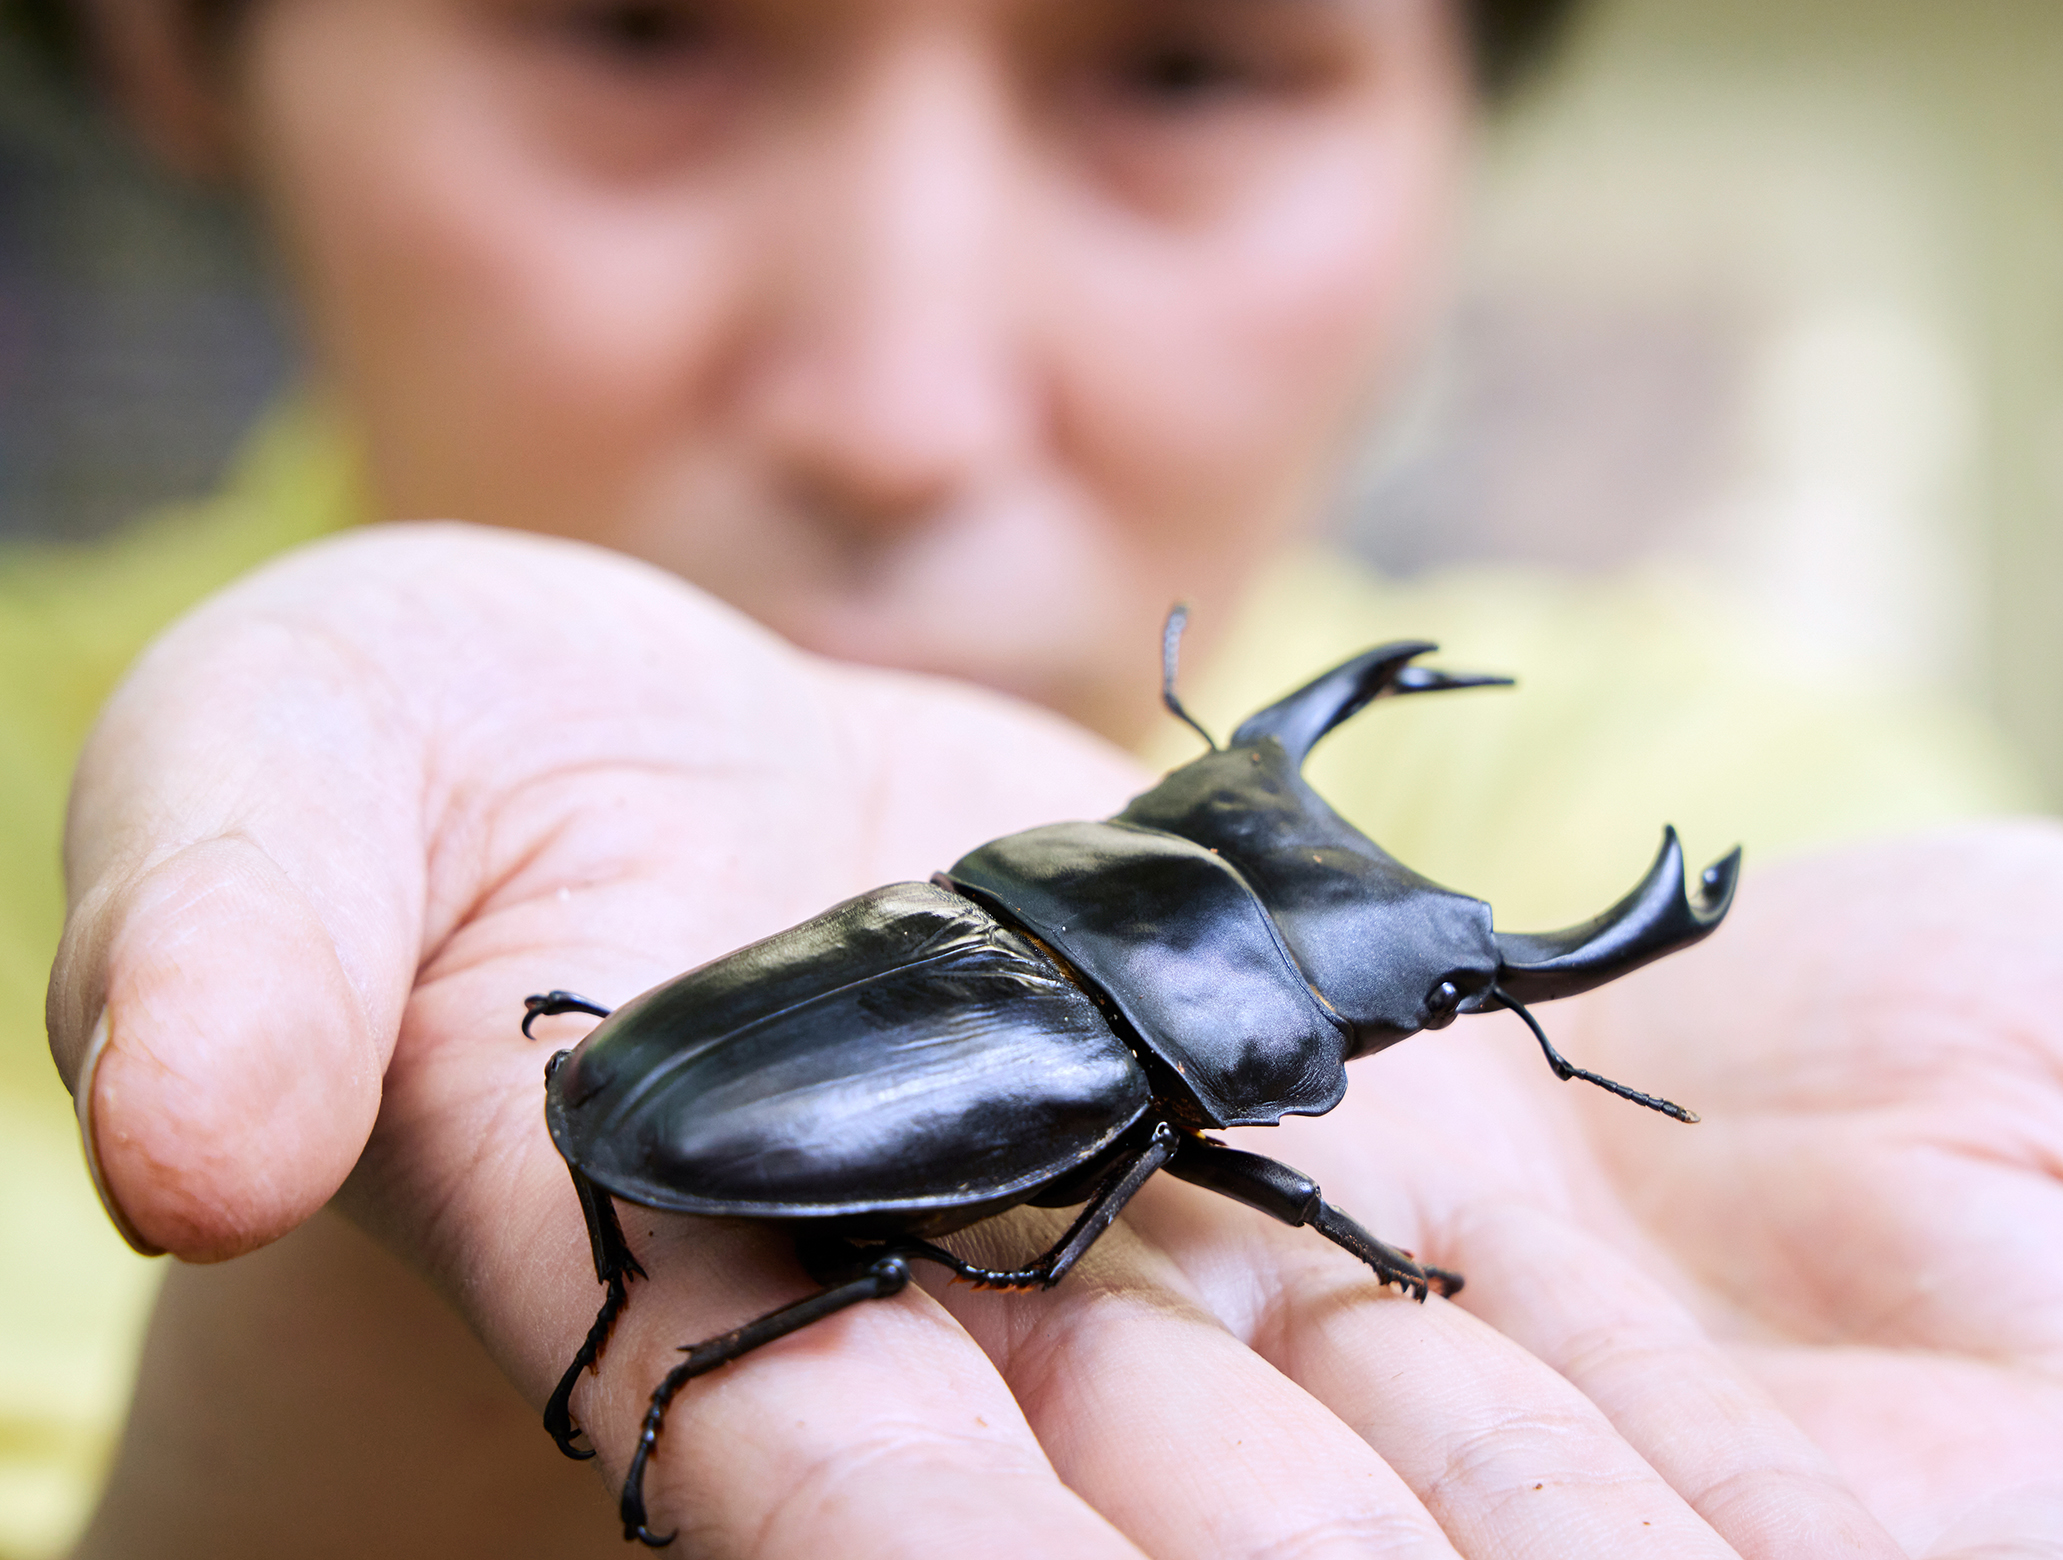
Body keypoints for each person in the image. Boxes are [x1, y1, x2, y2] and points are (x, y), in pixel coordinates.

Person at [1, 0, 2057, 1555]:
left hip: (669, 1090)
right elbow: (1076, 1241)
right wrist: (344, 1388)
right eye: (634, 23)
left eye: (1184, 72)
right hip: (689, 1144)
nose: (903, 407)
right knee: (930, 1247)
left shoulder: (1788, 784)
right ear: (172, 49)